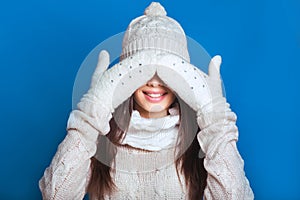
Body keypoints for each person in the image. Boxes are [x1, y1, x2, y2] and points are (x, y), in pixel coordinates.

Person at [39, 2, 254, 199]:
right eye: (142, 70)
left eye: (166, 72)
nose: (154, 83)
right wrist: (94, 107)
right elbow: (56, 195)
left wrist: (214, 114)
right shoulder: (100, 137)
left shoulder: (200, 139)